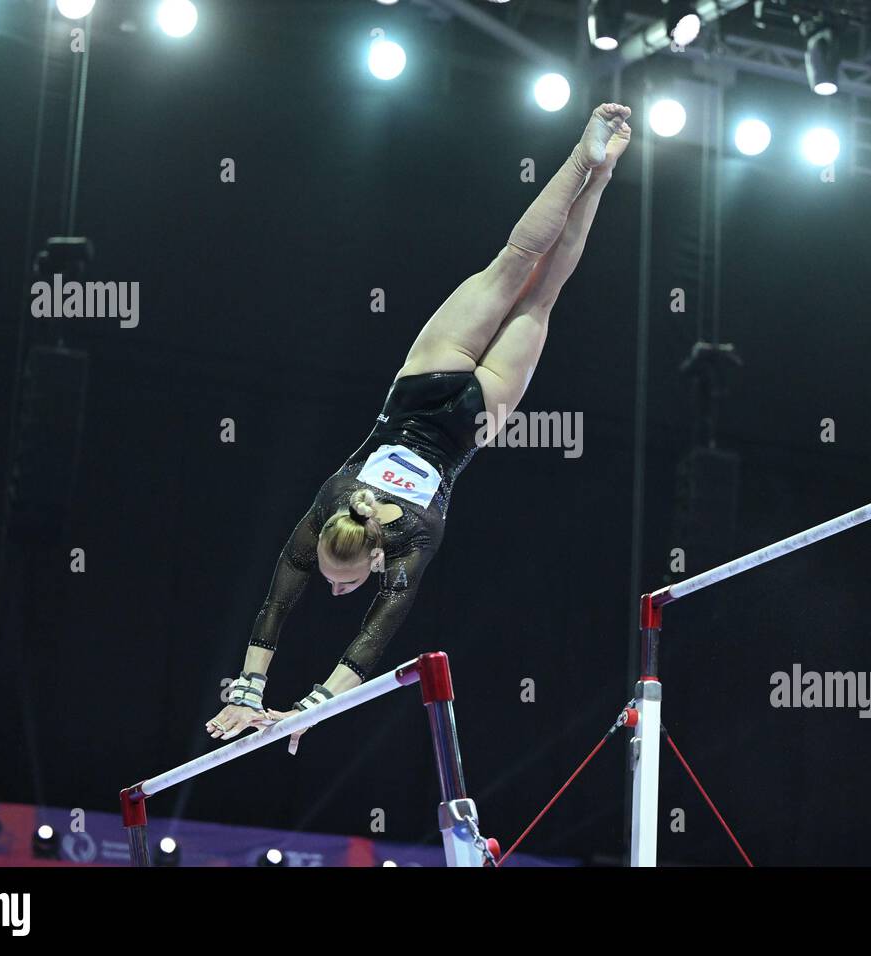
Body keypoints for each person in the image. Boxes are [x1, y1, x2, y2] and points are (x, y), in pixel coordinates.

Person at [206, 103, 632, 752]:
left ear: (371, 552)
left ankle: (599, 173)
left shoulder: (412, 538)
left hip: (473, 418)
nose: (335, 586)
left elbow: (365, 635)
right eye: (340, 582)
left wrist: (293, 705)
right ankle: (586, 161)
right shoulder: (328, 506)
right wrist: (260, 694)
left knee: (543, 291)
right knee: (517, 261)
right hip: (423, 383)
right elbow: (278, 609)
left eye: (342, 581)